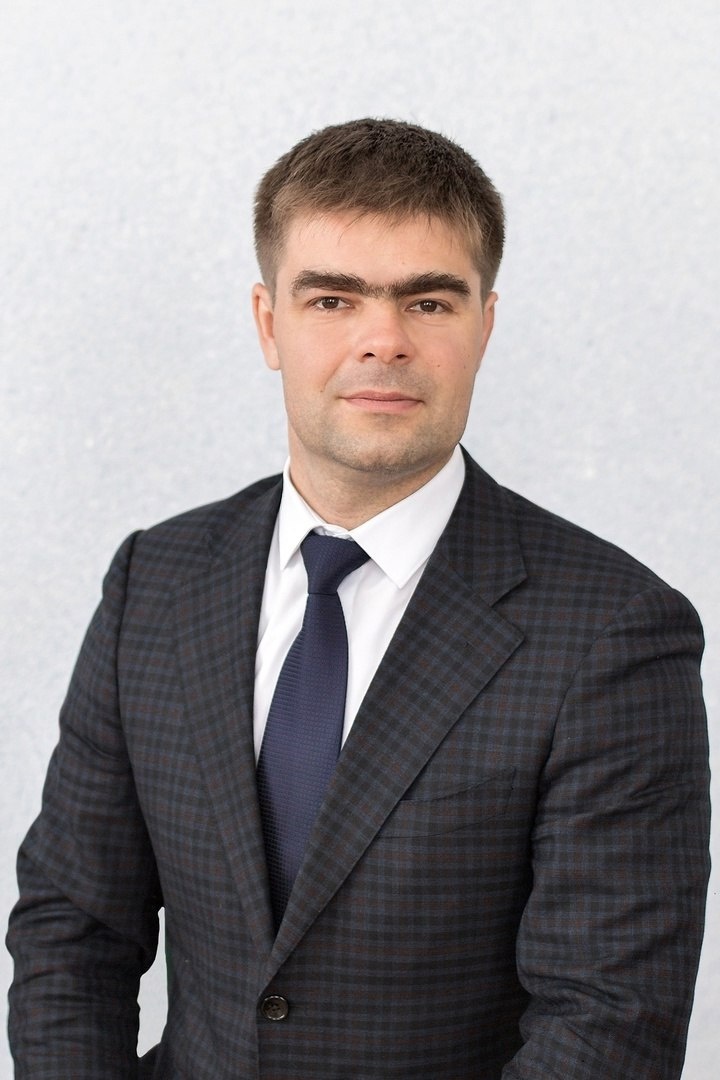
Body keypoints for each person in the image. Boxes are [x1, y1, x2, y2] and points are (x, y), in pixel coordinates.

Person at [7, 118, 710, 1079]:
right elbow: (70, 930)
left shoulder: (614, 633)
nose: (383, 341)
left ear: (484, 325)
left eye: (428, 301)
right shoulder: (154, 583)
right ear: (269, 324)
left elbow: (608, 1023)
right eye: (333, 298)